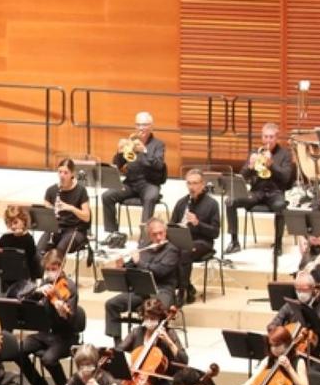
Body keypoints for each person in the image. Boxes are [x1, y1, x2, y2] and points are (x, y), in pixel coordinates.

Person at [15, 249, 83, 385]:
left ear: (62, 266)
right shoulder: (46, 282)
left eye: (54, 268)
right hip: (46, 333)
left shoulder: (70, 287)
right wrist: (38, 291)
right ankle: (39, 384)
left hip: (66, 336)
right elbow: (23, 298)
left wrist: (62, 311)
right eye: (48, 269)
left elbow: (71, 320)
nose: (51, 272)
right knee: (19, 351)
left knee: (48, 359)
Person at [113, 298, 186, 385]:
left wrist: (168, 341)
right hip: (140, 378)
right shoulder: (137, 332)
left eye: (153, 317)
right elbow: (119, 351)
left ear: (160, 317)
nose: (149, 320)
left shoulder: (169, 333)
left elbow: (184, 360)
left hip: (164, 379)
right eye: (147, 317)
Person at [225, 122, 294, 255]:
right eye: (266, 137)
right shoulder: (255, 152)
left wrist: (272, 165)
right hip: (257, 192)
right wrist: (250, 166)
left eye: (271, 137)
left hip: (275, 193)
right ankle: (234, 242)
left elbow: (286, 178)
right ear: (262, 138)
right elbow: (244, 175)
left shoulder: (285, 154)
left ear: (277, 138)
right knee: (230, 201)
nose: (268, 140)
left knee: (281, 206)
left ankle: (278, 244)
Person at [102, 112, 167, 240]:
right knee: (107, 196)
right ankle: (113, 234)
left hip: (150, 183)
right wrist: (119, 153)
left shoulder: (158, 145)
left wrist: (144, 151)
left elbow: (159, 165)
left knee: (150, 197)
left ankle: (145, 238)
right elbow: (118, 166)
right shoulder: (130, 142)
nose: (141, 128)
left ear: (151, 126)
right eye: (138, 125)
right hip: (131, 183)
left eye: (144, 125)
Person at [103, 218, 181, 323]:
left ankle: (155, 337)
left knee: (155, 309)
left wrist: (139, 262)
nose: (158, 237)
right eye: (154, 234)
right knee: (111, 304)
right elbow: (132, 266)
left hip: (162, 291)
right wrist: (122, 266)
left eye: (161, 233)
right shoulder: (144, 247)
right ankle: (118, 339)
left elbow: (160, 271)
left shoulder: (172, 250)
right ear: (149, 235)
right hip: (142, 291)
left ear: (165, 232)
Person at [170, 169, 220, 302]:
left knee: (184, 252)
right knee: (169, 250)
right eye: (189, 183)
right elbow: (172, 225)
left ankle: (182, 292)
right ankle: (185, 287)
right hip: (182, 240)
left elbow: (215, 232)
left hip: (202, 242)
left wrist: (198, 223)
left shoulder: (212, 204)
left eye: (195, 183)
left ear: (202, 184)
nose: (191, 187)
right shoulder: (182, 203)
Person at [268, 271, 320, 355]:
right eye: (298, 290)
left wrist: (314, 338)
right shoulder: (289, 306)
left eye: (304, 290)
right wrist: (284, 336)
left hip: (313, 355)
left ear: (312, 289)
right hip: (287, 353)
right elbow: (272, 325)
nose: (300, 293)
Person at [0, 204, 40, 296]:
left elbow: (8, 256)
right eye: (9, 224)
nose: (12, 227)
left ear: (24, 221)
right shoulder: (7, 236)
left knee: (10, 295)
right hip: (8, 277)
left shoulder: (28, 239)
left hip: (24, 280)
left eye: (15, 222)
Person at [38, 158, 91, 256]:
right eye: (60, 172)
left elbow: (87, 217)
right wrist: (52, 211)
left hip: (75, 230)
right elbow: (46, 216)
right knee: (39, 251)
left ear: (72, 174)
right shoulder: (51, 190)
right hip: (55, 229)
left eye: (66, 173)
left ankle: (57, 271)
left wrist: (71, 208)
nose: (62, 175)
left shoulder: (80, 190)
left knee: (59, 251)